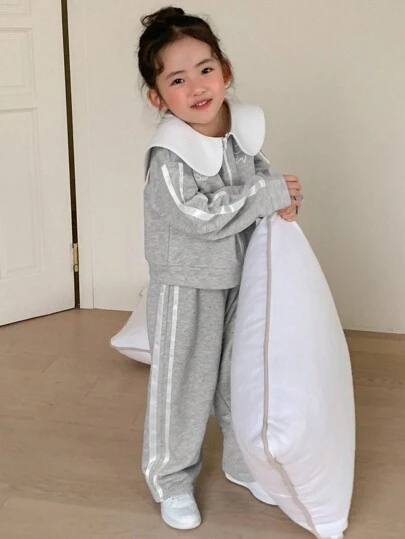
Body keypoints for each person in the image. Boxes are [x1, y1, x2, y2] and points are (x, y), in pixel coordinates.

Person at [137, 6, 302, 530]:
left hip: (240, 277)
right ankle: (171, 478)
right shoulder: (168, 154)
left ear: (224, 70)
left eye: (205, 69)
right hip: (188, 285)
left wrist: (280, 202)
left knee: (241, 376)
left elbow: (260, 181)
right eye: (177, 79)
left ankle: (242, 462)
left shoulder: (239, 129)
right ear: (158, 97)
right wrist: (264, 196)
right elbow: (198, 217)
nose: (197, 87)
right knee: (183, 384)